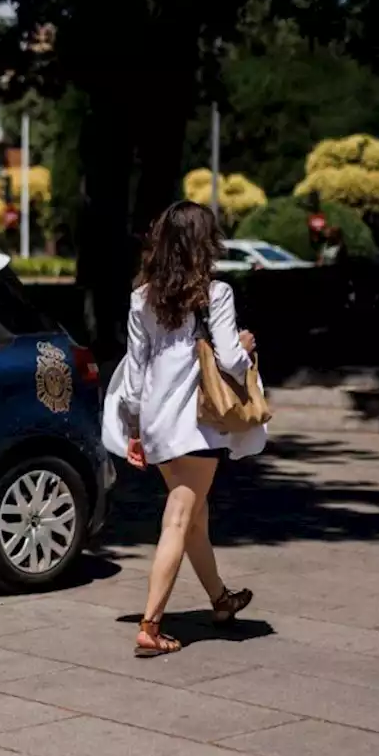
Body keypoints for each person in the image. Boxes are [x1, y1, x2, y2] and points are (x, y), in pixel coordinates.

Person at [110, 200, 266, 657]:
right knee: (180, 518)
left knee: (195, 518)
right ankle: (151, 625)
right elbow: (232, 362)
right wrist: (244, 344)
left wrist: (133, 427)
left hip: (158, 423)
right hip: (196, 426)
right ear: (205, 243)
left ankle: (220, 600)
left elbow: (134, 371)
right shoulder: (216, 295)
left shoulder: (142, 297)